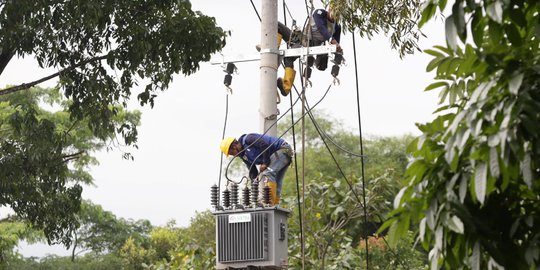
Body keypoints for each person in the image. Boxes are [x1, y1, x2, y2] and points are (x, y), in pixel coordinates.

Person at [275, 6, 343, 97]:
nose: (335, 16)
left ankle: (286, 87)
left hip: (308, 46)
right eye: (334, 11)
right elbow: (321, 27)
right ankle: (272, 49)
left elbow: (336, 44)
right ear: (330, 9)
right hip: (300, 39)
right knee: (277, 25)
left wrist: (338, 50)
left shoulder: (337, 26)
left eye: (338, 14)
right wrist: (332, 40)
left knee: (288, 58)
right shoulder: (319, 13)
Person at [220, 133, 293, 205]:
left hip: (282, 149)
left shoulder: (248, 139)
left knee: (268, 173)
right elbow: (252, 170)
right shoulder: (243, 155)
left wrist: (265, 163)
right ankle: (275, 204)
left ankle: (269, 203)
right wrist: (254, 184)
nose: (234, 155)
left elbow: (264, 145)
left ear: (234, 145)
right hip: (280, 155)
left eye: (232, 153)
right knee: (276, 180)